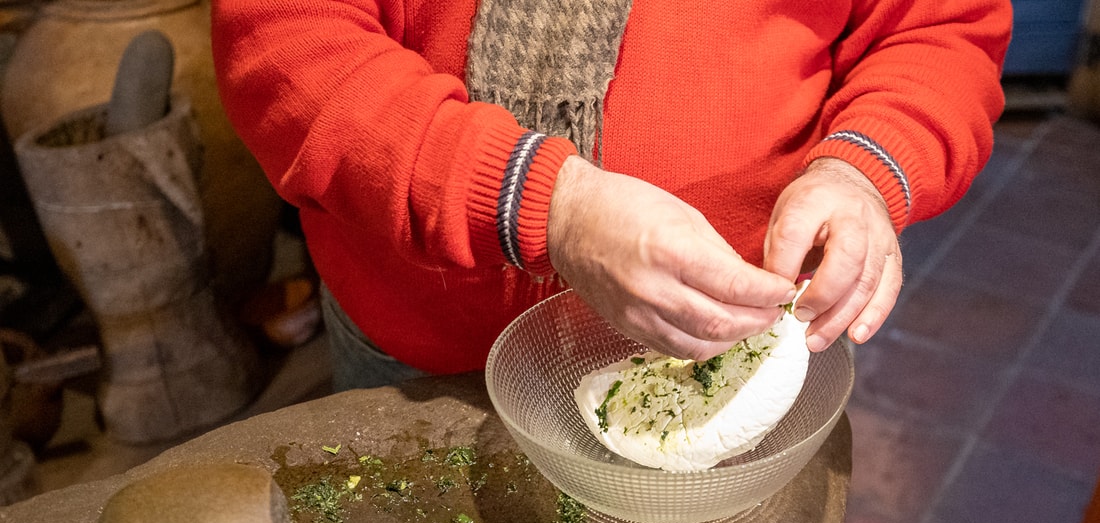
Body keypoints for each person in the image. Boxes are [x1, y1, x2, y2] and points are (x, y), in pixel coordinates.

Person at [210, 0, 1012, 390]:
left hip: (727, 353)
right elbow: (288, 44)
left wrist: (864, 168)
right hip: (427, 351)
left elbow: (938, 29)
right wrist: (545, 206)